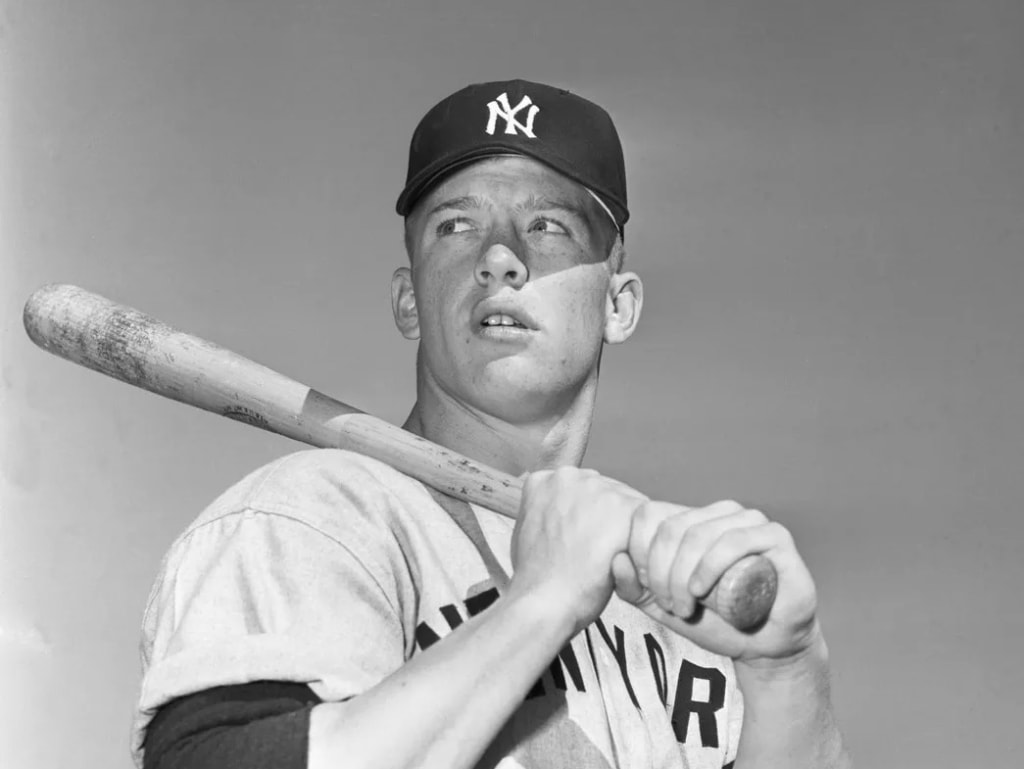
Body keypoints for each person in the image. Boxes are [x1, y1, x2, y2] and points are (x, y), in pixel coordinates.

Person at [132, 79, 851, 769]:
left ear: (619, 304)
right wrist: (541, 604)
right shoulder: (313, 519)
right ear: (409, 300)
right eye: (457, 225)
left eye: (547, 225)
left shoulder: (673, 594)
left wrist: (788, 670)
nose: (500, 259)